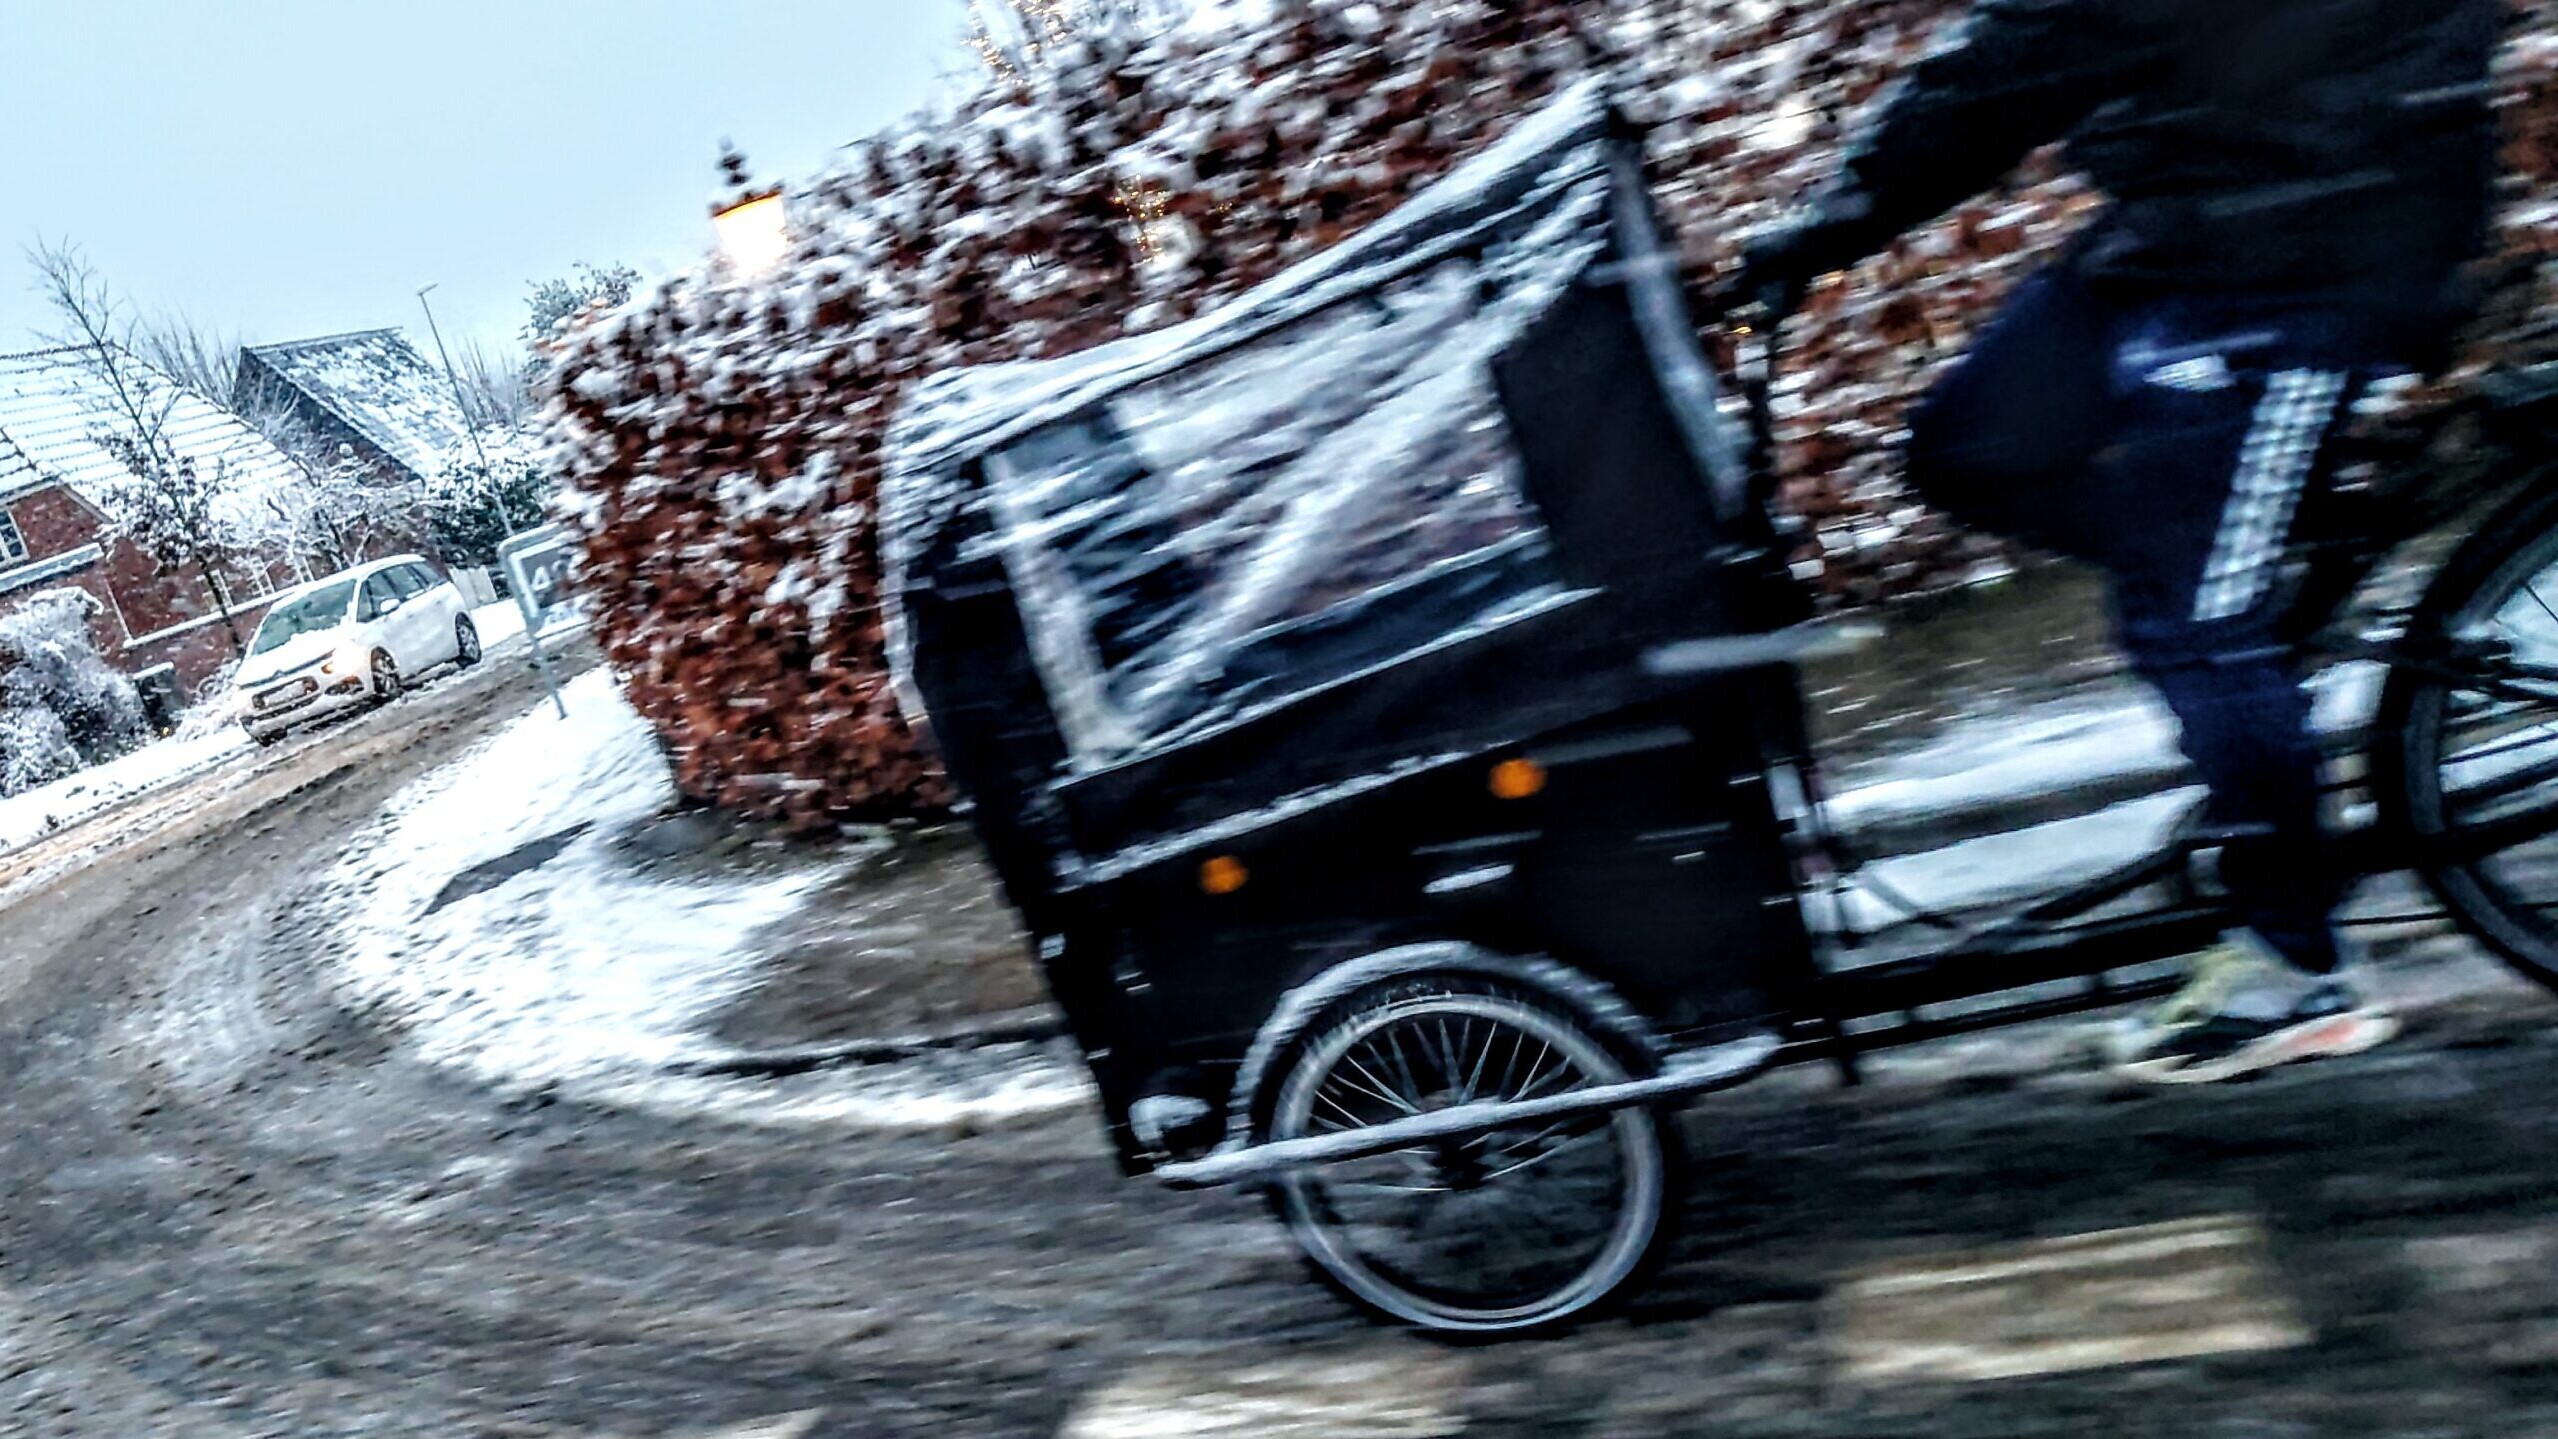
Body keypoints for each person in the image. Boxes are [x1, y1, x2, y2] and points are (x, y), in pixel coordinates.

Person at [1739, 0, 2507, 1082]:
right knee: (1966, 446)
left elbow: (2016, 60)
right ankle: (2235, 594)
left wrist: (1830, 226)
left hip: (2316, 253)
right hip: (2191, 224)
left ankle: (2296, 969)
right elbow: (2020, 57)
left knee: (2189, 624)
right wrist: (1832, 224)